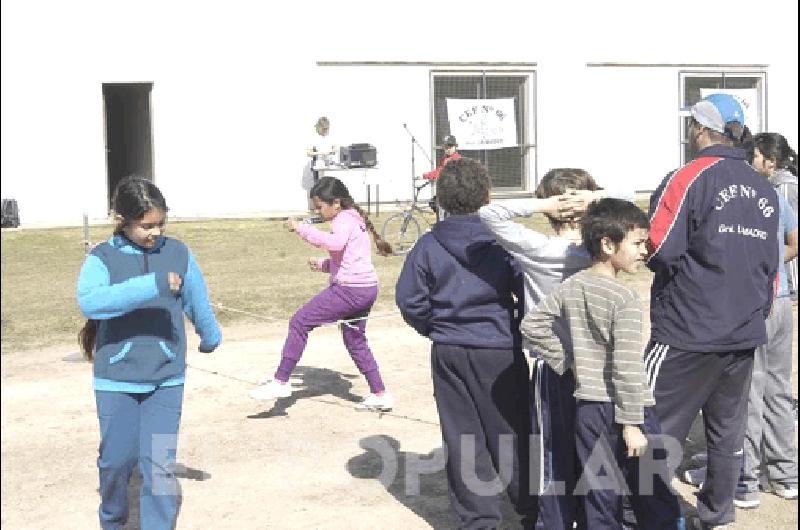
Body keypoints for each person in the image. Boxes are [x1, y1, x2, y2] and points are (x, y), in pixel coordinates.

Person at [646, 93, 779, 529]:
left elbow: (661, 248)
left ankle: (640, 512)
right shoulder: (763, 186)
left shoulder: (688, 176)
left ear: (700, 129)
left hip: (686, 329)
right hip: (743, 331)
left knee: (651, 426)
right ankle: (718, 515)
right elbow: (770, 267)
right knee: (726, 433)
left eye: (691, 125)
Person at [520, 198, 682, 530]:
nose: (644, 250)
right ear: (608, 244)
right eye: (637, 243)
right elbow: (626, 368)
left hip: (589, 411)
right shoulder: (624, 299)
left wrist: (568, 362)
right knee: (652, 493)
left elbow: (531, 326)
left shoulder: (572, 285)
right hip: (628, 411)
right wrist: (631, 425)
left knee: (599, 496)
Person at [478, 167, 626, 530]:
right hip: (600, 364)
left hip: (553, 366)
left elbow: (489, 213)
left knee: (552, 454)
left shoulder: (538, 250)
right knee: (599, 453)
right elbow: (635, 200)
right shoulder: (605, 250)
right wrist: (595, 199)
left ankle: (556, 521)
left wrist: (542, 204)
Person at [396, 157, 536, 529]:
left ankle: (479, 519)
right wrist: (515, 327)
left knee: (463, 436)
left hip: (451, 350)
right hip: (497, 350)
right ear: (488, 196)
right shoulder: (501, 242)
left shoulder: (427, 245)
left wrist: (436, 329)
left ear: (440, 199)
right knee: (510, 430)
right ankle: (530, 507)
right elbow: (527, 290)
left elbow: (410, 299)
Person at [77, 176, 222, 529]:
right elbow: (90, 301)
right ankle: (112, 519)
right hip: (116, 380)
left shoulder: (178, 253)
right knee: (116, 461)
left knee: (158, 466)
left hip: (166, 378)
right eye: (146, 226)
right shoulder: (102, 257)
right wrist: (153, 284)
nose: (155, 232)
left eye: (160, 224)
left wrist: (209, 334)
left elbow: (196, 298)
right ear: (121, 219)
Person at [249, 176, 394, 411]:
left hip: (350, 290)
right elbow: (349, 257)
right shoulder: (354, 219)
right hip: (366, 288)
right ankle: (380, 393)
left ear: (336, 203)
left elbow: (335, 244)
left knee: (299, 322)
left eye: (319, 206)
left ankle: (281, 381)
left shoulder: (343, 221)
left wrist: (302, 229)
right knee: (355, 340)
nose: (318, 210)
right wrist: (323, 265)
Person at [734, 133, 799, 507]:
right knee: (778, 387)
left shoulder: (737, 199)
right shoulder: (773, 195)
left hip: (754, 303)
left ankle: (747, 477)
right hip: (782, 300)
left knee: (749, 389)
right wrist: (777, 264)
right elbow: (794, 241)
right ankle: (785, 474)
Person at [750, 132, 798, 297]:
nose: (752, 161)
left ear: (771, 161)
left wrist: (792, 286)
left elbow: (792, 238)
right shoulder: (772, 187)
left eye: (755, 156)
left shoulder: (784, 188)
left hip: (790, 290)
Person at [423, 134, 462, 219]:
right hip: (445, 191)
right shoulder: (445, 159)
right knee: (434, 203)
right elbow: (439, 170)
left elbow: (441, 172)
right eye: (446, 147)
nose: (448, 149)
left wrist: (428, 175)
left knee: (444, 215)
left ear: (455, 146)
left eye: (450, 146)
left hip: (452, 194)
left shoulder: (456, 158)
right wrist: (428, 175)